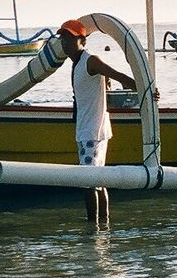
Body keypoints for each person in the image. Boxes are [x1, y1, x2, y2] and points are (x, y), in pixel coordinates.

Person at [57, 19, 138, 227]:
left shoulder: (90, 61)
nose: (64, 42)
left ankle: (93, 228)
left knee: (88, 182)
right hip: (88, 130)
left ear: (82, 40)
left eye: (68, 38)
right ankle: (104, 224)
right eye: (62, 38)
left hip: (92, 132)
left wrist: (144, 88)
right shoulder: (76, 64)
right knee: (98, 181)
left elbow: (120, 76)